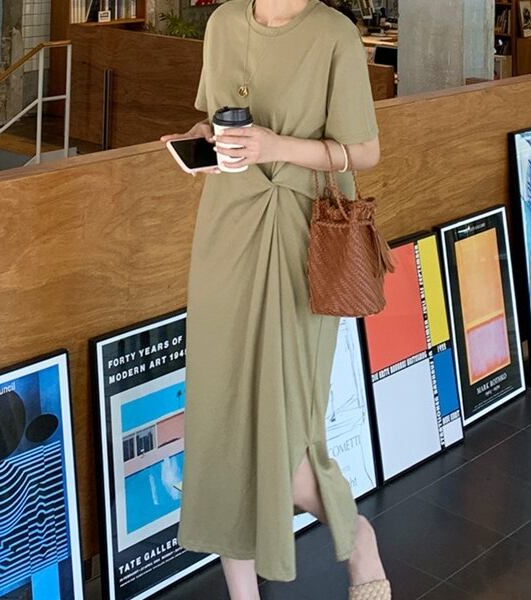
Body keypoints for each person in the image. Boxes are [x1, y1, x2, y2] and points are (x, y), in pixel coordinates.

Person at [160, 0, 390, 598]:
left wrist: (274, 146)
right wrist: (200, 141)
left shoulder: (335, 34)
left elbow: (363, 152)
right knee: (219, 413)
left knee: (288, 421)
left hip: (301, 237)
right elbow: (214, 121)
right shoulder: (222, 24)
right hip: (225, 229)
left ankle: (356, 535)